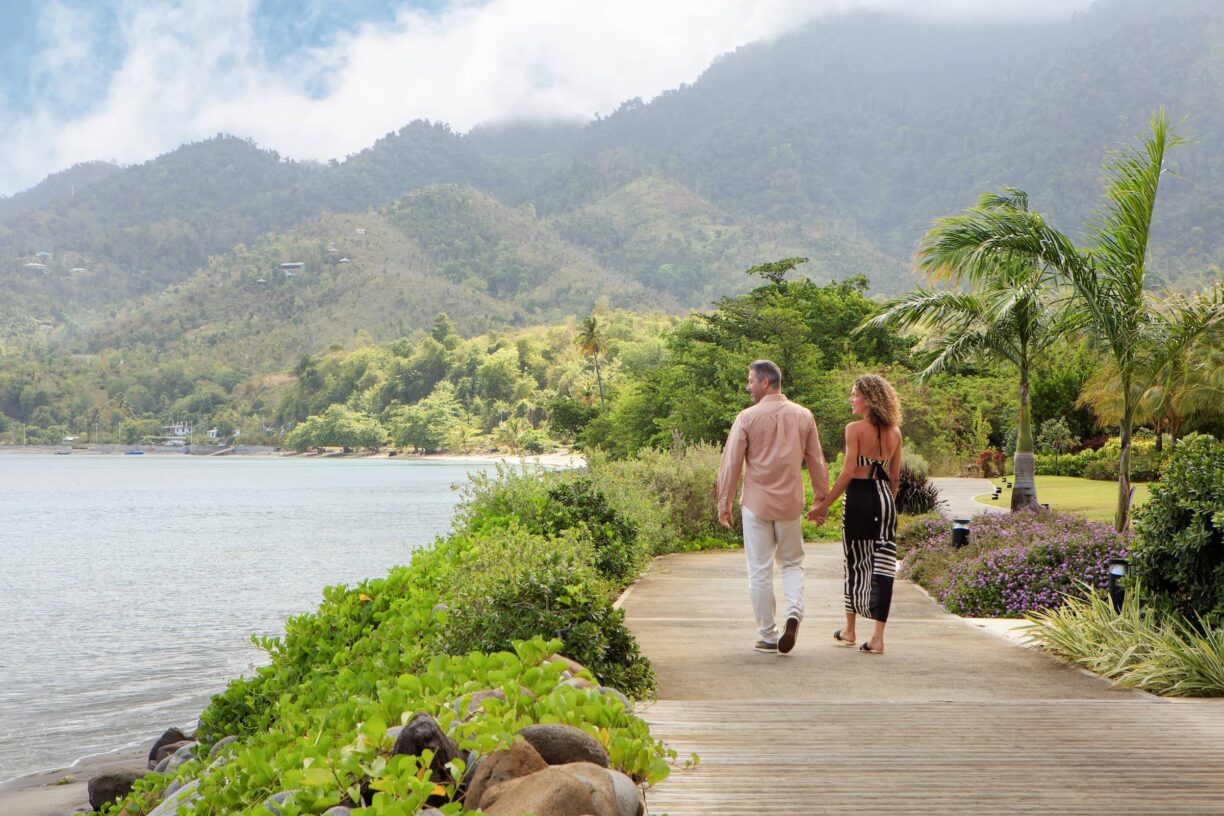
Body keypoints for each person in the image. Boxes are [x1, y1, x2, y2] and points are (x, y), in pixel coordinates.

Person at [717, 360, 829, 654]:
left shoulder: (747, 417)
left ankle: (768, 635)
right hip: (790, 503)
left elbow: (731, 463)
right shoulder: (804, 415)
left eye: (751, 381)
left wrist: (724, 502)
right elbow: (816, 459)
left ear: (765, 383)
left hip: (756, 504)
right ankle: (794, 612)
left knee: (760, 570)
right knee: (792, 563)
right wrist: (821, 498)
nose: (748, 386)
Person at [809, 374, 902, 655]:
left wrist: (823, 506)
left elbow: (849, 472)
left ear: (869, 399)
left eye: (855, 394)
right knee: (884, 566)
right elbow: (895, 478)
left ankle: (850, 630)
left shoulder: (854, 429)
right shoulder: (895, 433)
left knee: (855, 562)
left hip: (860, 499)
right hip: (886, 500)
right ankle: (878, 638)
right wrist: (887, 506)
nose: (851, 399)